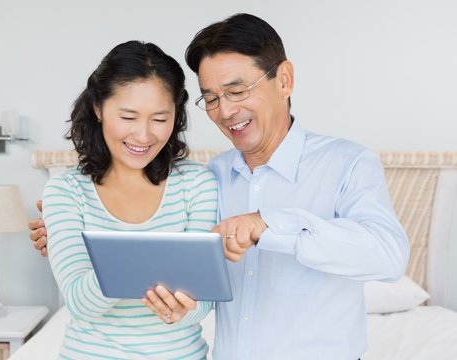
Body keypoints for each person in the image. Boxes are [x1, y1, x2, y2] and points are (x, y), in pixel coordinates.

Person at [31, 14, 410, 360]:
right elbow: (195, 283)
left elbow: (389, 257)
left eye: (237, 91)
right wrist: (83, 241)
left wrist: (271, 224)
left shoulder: (346, 163)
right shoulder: (212, 176)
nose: (225, 111)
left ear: (284, 80)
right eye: (211, 98)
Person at [40, 40, 218, 359]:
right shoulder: (66, 191)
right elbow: (81, 303)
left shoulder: (197, 183)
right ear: (98, 108)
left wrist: (181, 309)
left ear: (176, 116)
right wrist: (153, 260)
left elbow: (201, 302)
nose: (143, 135)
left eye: (160, 119)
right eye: (128, 116)